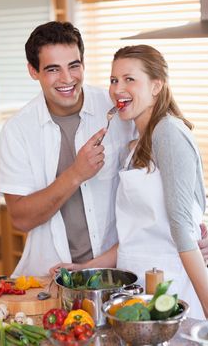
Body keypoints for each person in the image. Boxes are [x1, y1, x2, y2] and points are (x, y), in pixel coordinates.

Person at [51, 44, 208, 319]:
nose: (117, 88)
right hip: (137, 293)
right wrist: (87, 267)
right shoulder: (134, 145)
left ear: (156, 86)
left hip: (172, 293)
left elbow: (183, 230)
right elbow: (135, 236)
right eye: (113, 80)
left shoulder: (168, 133)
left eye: (129, 79)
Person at [0, 21, 135, 277]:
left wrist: (191, 231)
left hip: (118, 271)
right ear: (33, 71)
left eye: (74, 65)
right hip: (48, 277)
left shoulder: (117, 109)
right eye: (52, 69)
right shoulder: (17, 131)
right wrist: (76, 174)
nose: (67, 78)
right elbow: (20, 219)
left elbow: (151, 186)